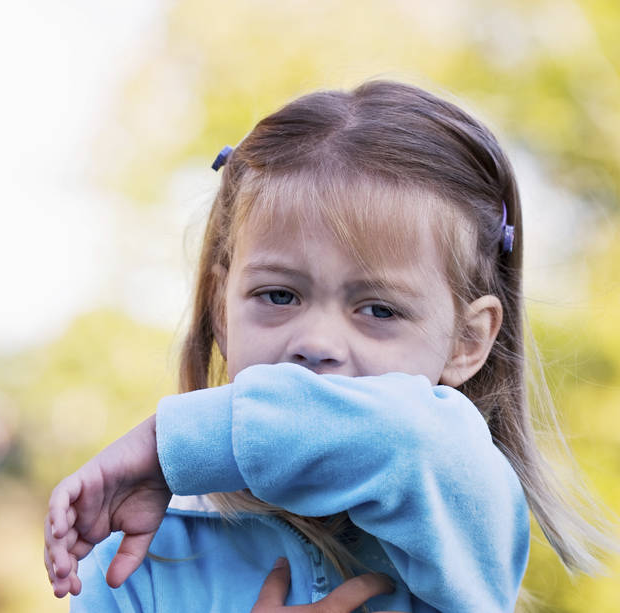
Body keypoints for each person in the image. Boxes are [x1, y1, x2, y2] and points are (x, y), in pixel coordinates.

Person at [43, 80, 614, 612]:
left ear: (466, 342)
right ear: (222, 305)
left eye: (379, 310)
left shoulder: (457, 493)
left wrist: (170, 442)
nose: (316, 343)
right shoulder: (142, 557)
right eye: (278, 295)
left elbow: (408, 436)